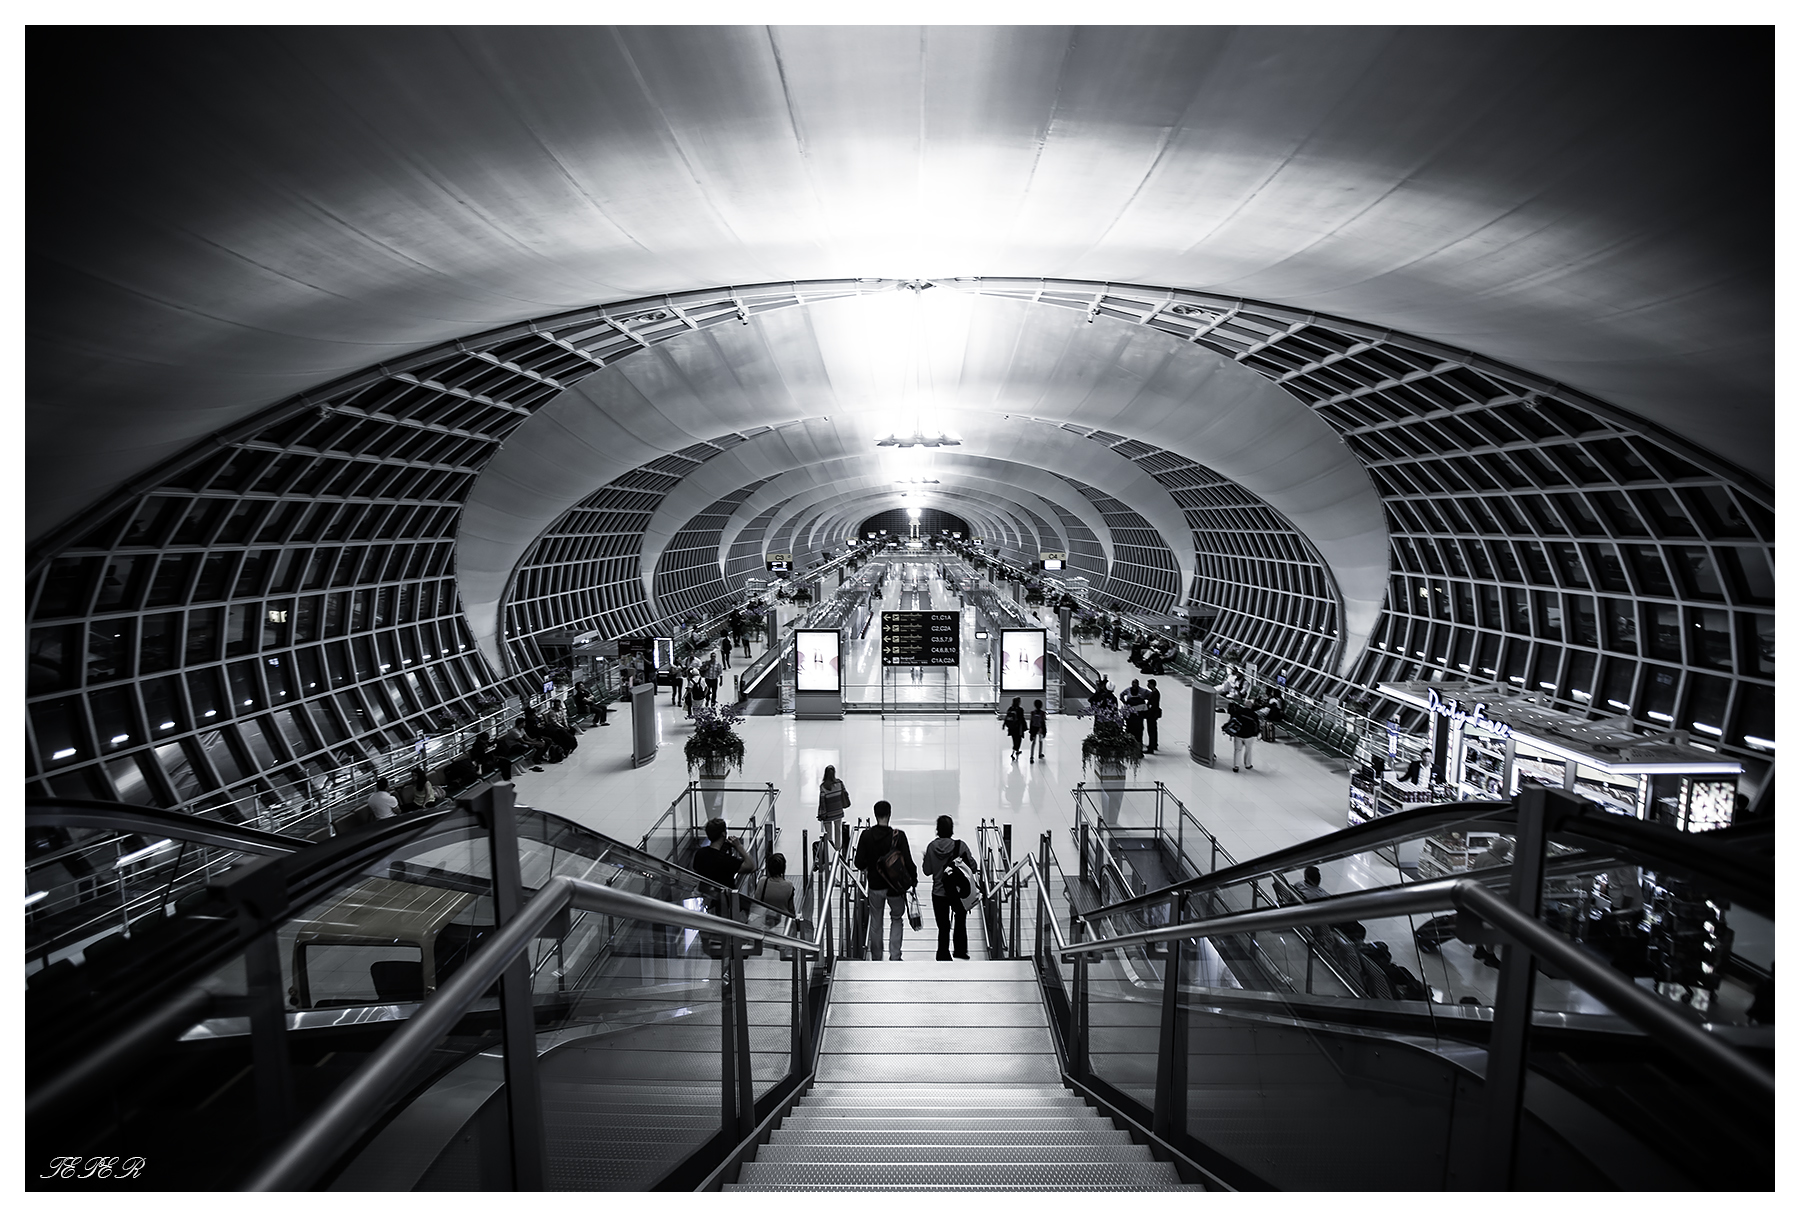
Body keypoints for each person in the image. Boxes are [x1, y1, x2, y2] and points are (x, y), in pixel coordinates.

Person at [853, 801, 916, 961]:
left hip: (875, 886)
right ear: (889, 814)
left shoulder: (866, 835)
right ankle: (895, 956)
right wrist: (913, 879)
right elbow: (908, 862)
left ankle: (876, 957)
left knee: (876, 922)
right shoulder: (898, 836)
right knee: (896, 919)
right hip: (895, 888)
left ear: (875, 815)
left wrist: (871, 866)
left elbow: (858, 863)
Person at [921, 815, 979, 961]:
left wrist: (926, 859)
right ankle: (960, 951)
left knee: (943, 926)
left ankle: (943, 954)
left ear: (937, 830)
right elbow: (973, 867)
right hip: (958, 893)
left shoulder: (932, 847)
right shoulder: (960, 846)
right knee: (960, 921)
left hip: (938, 893)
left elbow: (927, 871)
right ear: (951, 829)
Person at [691, 817, 754, 912]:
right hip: (726, 903)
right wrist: (739, 847)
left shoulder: (700, 853)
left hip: (708, 900)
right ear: (723, 834)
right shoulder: (726, 860)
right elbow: (751, 866)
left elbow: (695, 870)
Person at [752, 852, 798, 928]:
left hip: (764, 920)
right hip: (782, 922)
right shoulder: (789, 885)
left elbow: (756, 902)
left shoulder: (762, 881)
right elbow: (791, 909)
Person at [817, 765, 850, 851]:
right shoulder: (839, 783)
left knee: (828, 833)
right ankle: (838, 848)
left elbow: (822, 802)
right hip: (838, 811)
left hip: (828, 814)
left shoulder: (823, 787)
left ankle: (830, 849)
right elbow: (845, 794)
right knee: (838, 830)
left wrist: (821, 814)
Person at [1122, 680, 1148, 747]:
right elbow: (1145, 711)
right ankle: (1139, 750)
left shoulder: (1129, 701)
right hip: (1139, 721)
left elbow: (1125, 712)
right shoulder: (1142, 701)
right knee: (1139, 735)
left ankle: (1131, 747)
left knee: (1130, 734)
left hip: (1130, 722)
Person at [1144, 679, 1162, 754]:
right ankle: (1154, 744)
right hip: (1153, 714)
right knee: (1153, 729)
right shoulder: (1155, 692)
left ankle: (1151, 747)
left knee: (1151, 730)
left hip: (1152, 714)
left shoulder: (1155, 693)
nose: (1147, 685)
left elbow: (1153, 705)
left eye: (1148, 684)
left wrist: (1148, 712)